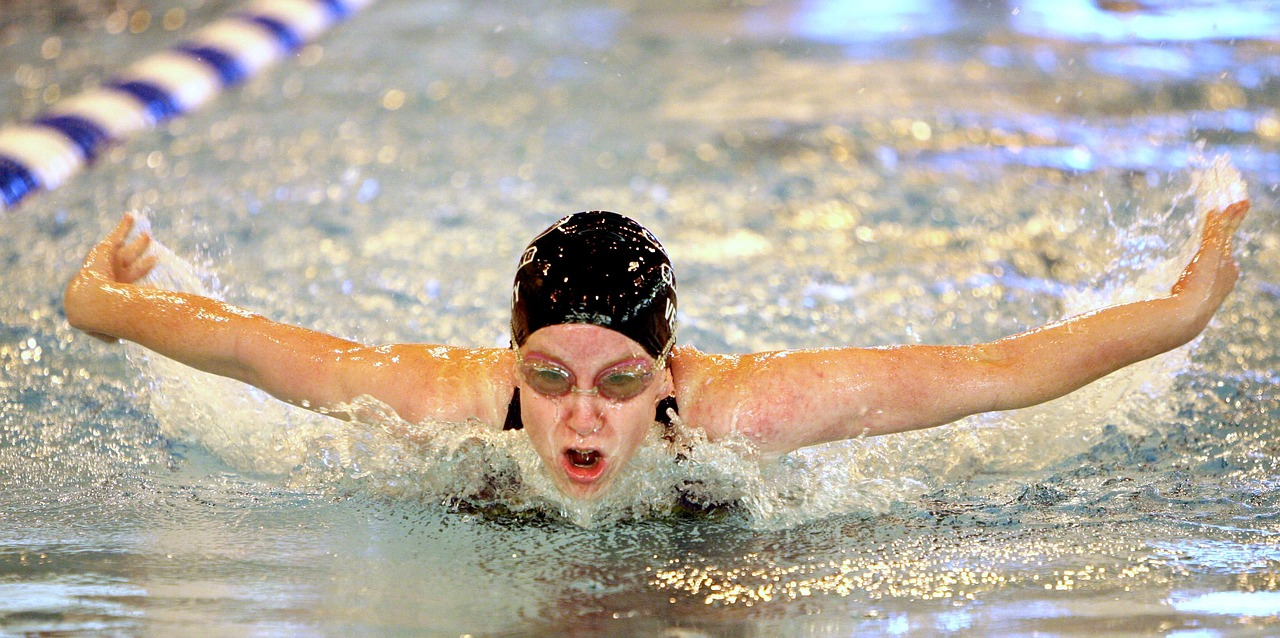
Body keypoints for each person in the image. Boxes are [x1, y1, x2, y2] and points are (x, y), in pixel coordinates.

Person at [64, 200, 1251, 500]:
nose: (581, 418)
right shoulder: (439, 398)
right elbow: (251, 348)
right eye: (550, 379)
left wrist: (1182, 310)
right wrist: (106, 297)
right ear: (511, 357)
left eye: (621, 381)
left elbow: (993, 375)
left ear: (669, 372)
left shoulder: (737, 415)